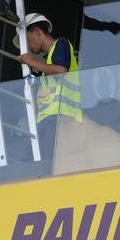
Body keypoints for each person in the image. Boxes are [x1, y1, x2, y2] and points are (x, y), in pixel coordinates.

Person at [18, 13, 80, 164]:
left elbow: (61, 71)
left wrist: (32, 62)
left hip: (61, 117)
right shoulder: (48, 63)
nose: (29, 48)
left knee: (45, 164)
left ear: (37, 31)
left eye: (28, 40)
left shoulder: (61, 44)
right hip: (48, 119)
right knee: (30, 163)